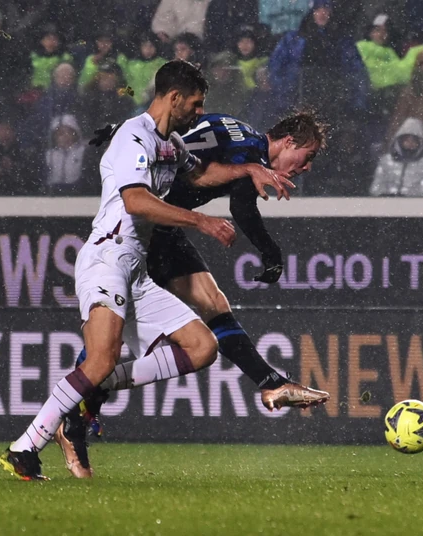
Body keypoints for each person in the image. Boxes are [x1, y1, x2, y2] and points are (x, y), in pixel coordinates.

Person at [0, 60, 292, 481]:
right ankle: (25, 447)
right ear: (174, 97)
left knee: (202, 348)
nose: (199, 112)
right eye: (195, 104)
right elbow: (135, 200)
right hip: (107, 259)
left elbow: (202, 173)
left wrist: (249, 168)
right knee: (101, 358)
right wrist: (201, 221)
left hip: (135, 272)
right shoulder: (133, 136)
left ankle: (90, 388)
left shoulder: (170, 142)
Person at [56, 109, 330, 478]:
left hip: (163, 226)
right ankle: (72, 416)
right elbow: (241, 207)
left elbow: (177, 133)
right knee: (112, 340)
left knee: (209, 304)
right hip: (142, 226)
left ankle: (271, 383)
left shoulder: (236, 130)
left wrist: (122, 129)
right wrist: (270, 252)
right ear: (288, 142)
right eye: (307, 156)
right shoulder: (250, 151)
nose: (307, 167)